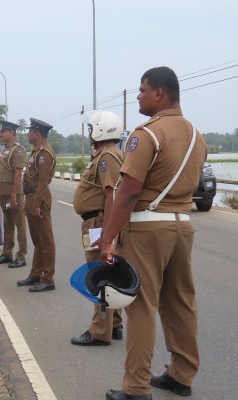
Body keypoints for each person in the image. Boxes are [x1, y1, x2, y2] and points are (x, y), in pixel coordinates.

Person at [100, 66, 206, 400]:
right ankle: (181, 374)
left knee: (141, 306)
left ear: (159, 92)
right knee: (180, 303)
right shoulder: (196, 135)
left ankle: (135, 388)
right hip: (182, 226)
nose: (139, 96)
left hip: (147, 227)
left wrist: (108, 237)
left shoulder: (146, 134)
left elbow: (129, 192)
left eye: (142, 90)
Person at [71, 110, 124, 345]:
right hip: (95, 223)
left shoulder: (107, 157)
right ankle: (114, 325)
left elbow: (111, 196)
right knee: (108, 273)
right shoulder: (105, 154)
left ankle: (99, 331)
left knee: (98, 274)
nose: (90, 134)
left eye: (92, 129)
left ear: (103, 129)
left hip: (97, 224)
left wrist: (106, 235)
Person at [16, 118, 56, 292]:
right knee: (37, 240)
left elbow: (42, 181)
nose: (28, 134)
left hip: (39, 197)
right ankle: (35, 274)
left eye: (30, 131)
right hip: (32, 197)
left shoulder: (44, 153)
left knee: (46, 241)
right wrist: (27, 203)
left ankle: (48, 279)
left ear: (37, 133)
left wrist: (37, 204)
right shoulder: (36, 152)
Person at [0, 121, 27, 269]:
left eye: (3, 131)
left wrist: (13, 196)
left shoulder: (18, 150)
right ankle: (7, 253)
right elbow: (1, 173)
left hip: (14, 195)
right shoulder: (6, 150)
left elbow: (18, 175)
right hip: (4, 194)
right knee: (8, 224)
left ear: (11, 132)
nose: (0, 134)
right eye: (0, 131)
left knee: (20, 225)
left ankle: (21, 255)